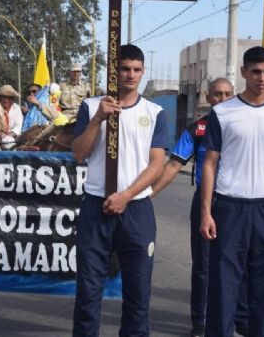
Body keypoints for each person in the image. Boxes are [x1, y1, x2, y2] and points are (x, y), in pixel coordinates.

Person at [200, 46, 264, 337]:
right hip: (230, 208)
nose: (262, 78)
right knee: (223, 285)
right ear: (244, 72)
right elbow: (210, 163)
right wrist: (206, 212)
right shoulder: (222, 113)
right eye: (256, 72)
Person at [71, 44, 168, 336]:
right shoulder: (91, 107)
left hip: (135, 209)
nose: (131, 75)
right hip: (96, 206)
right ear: (114, 72)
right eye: (125, 69)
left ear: (143, 71)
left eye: (137, 69)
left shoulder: (154, 112)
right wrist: (98, 119)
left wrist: (126, 195)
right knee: (88, 292)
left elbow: (157, 163)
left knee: (138, 294)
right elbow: (79, 153)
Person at [152, 78, 250, 337]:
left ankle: (242, 320)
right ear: (208, 97)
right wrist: (148, 193)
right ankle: (200, 322)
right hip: (206, 202)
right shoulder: (198, 129)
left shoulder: (246, 125)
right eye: (217, 94)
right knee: (203, 265)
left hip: (239, 203)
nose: (222, 99)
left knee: (240, 262)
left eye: (227, 94)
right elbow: (174, 164)